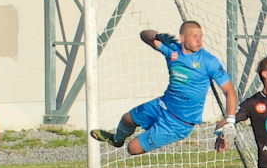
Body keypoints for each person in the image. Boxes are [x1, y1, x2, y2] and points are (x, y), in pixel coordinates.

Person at [91, 21, 238, 155]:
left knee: (132, 148)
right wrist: (157, 36)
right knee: (127, 119)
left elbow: (230, 91)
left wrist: (230, 121)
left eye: (200, 36)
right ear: (182, 38)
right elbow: (144, 35)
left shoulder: (209, 61)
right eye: (194, 36)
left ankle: (154, 133)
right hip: (162, 105)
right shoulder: (172, 50)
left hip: (179, 122)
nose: (199, 41)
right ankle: (116, 140)